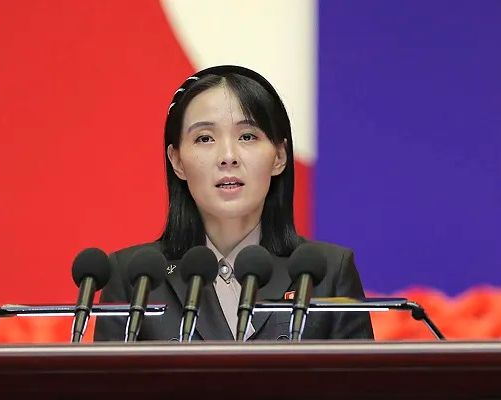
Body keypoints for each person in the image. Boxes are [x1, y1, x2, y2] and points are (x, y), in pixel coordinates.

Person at [94, 65, 374, 341]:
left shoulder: (329, 272)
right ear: (177, 161)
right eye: (205, 138)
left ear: (279, 156)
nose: (228, 156)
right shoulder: (134, 278)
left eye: (247, 136)